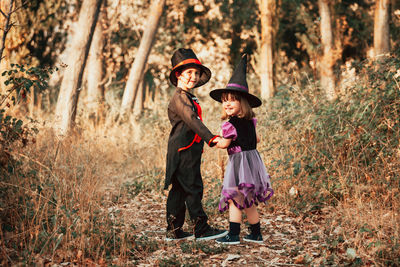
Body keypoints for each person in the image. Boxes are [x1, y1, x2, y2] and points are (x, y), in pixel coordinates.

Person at [209, 54, 274, 244]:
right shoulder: (250, 122)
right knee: (249, 199)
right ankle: (256, 233)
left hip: (239, 164)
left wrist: (212, 140)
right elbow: (257, 139)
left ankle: (234, 234)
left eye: (233, 100)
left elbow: (225, 144)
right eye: (225, 100)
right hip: (253, 163)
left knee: (234, 198)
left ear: (242, 103)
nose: (227, 104)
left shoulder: (229, 126)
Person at [165, 48, 228, 241]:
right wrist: (211, 138)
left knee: (180, 189)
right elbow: (193, 120)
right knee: (193, 187)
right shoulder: (180, 98)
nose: (193, 76)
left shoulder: (187, 96)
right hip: (183, 151)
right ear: (179, 75)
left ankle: (174, 231)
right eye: (189, 72)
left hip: (186, 149)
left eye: (196, 73)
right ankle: (201, 229)